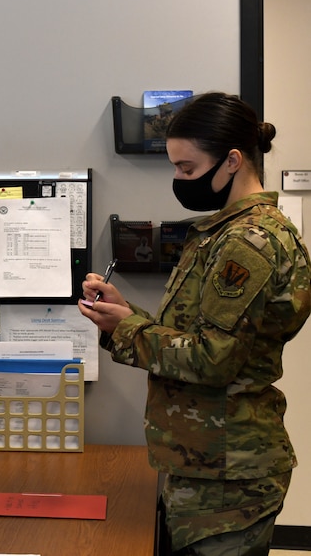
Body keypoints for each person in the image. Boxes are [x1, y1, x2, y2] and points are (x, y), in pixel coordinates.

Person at [79, 92, 311, 555]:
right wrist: (125, 316)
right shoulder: (224, 231)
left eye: (186, 168)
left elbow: (212, 360)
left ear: (232, 161)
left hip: (229, 474)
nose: (178, 179)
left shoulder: (249, 241)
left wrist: (126, 329)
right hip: (208, 463)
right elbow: (197, 337)